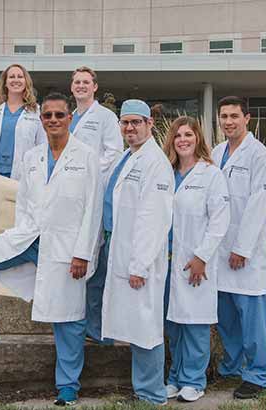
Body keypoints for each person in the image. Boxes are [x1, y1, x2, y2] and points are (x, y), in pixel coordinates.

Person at [0, 93, 103, 407]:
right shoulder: (32, 157)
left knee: (68, 318)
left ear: (69, 118)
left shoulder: (87, 156)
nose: (54, 120)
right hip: (29, 237)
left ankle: (68, 387)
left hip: (67, 246)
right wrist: (17, 235)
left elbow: (94, 210)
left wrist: (83, 252)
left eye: (60, 115)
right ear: (42, 119)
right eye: (48, 116)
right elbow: (25, 202)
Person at [99, 100, 174, 405]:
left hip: (140, 261)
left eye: (135, 123)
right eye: (124, 123)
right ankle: (143, 389)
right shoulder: (130, 157)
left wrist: (140, 265)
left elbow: (153, 219)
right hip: (125, 253)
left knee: (146, 327)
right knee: (135, 324)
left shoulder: (155, 163)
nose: (129, 128)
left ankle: (152, 394)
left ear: (149, 124)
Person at [211, 96, 266, 399]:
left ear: (247, 118)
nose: (228, 122)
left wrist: (243, 248)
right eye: (224, 116)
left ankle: (259, 373)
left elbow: (260, 206)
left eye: (234, 116)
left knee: (251, 314)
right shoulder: (215, 152)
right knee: (226, 315)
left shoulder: (260, 156)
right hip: (219, 249)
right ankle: (232, 366)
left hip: (245, 251)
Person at [162, 116, 230, 403]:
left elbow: (220, 221)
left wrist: (202, 257)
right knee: (172, 323)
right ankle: (175, 377)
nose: (183, 140)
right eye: (178, 136)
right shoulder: (165, 173)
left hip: (193, 261)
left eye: (188, 134)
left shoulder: (210, 175)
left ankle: (194, 379)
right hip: (164, 261)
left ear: (198, 139)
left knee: (196, 322)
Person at [71, 66, 124, 345]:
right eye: (77, 82)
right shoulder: (69, 118)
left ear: (95, 87)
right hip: (70, 198)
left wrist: (85, 173)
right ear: (72, 87)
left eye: (86, 82)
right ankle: (79, 322)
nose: (81, 86)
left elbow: (112, 153)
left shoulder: (105, 117)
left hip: (94, 193)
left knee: (96, 262)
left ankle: (98, 327)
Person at [0, 64, 45, 179]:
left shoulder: (36, 111)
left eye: (20, 77)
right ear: (5, 82)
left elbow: (42, 144)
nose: (16, 80)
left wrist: (34, 166)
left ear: (26, 82)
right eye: (11, 77)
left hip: (24, 174)